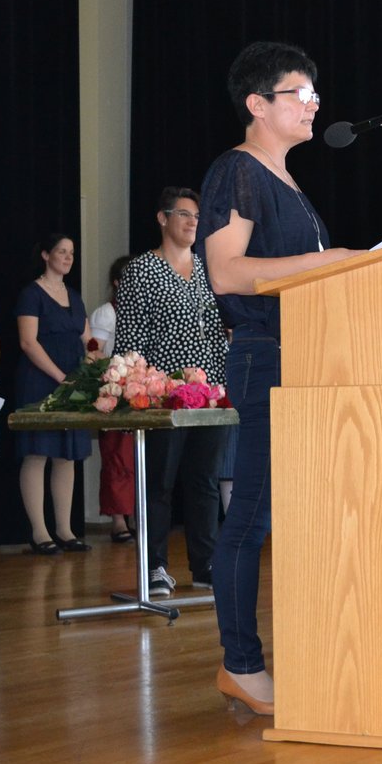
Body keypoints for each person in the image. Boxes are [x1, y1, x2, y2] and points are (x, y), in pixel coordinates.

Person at [196, 41, 358, 717]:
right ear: (257, 104)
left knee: (303, 513)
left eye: (316, 92)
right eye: (300, 92)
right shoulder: (237, 170)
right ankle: (241, 665)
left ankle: (323, 651)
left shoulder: (288, 182)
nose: (315, 104)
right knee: (252, 516)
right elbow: (228, 272)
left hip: (309, 356)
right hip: (266, 355)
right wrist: (332, 261)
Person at [114, 187, 229, 597]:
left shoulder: (208, 269)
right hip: (162, 395)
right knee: (158, 483)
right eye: (183, 214)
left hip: (211, 394)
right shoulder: (142, 270)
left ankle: (206, 564)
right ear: (162, 219)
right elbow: (130, 338)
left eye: (197, 216)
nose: (193, 222)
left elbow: (221, 331)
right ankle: (155, 568)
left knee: (205, 481)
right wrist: (135, 388)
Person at [15, 234, 95, 555]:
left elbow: (89, 340)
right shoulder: (31, 294)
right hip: (40, 380)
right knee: (38, 453)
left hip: (72, 383)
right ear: (46, 255)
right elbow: (27, 342)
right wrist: (61, 377)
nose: (68, 257)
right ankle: (39, 532)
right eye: (61, 251)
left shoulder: (74, 296)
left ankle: (64, 529)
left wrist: (93, 363)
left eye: (71, 252)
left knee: (67, 454)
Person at [90, 254, 136, 543]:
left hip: (141, 392)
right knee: (117, 456)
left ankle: (135, 515)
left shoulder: (144, 310)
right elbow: (95, 353)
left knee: (137, 458)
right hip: (115, 391)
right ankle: (118, 520)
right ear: (118, 282)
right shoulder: (106, 313)